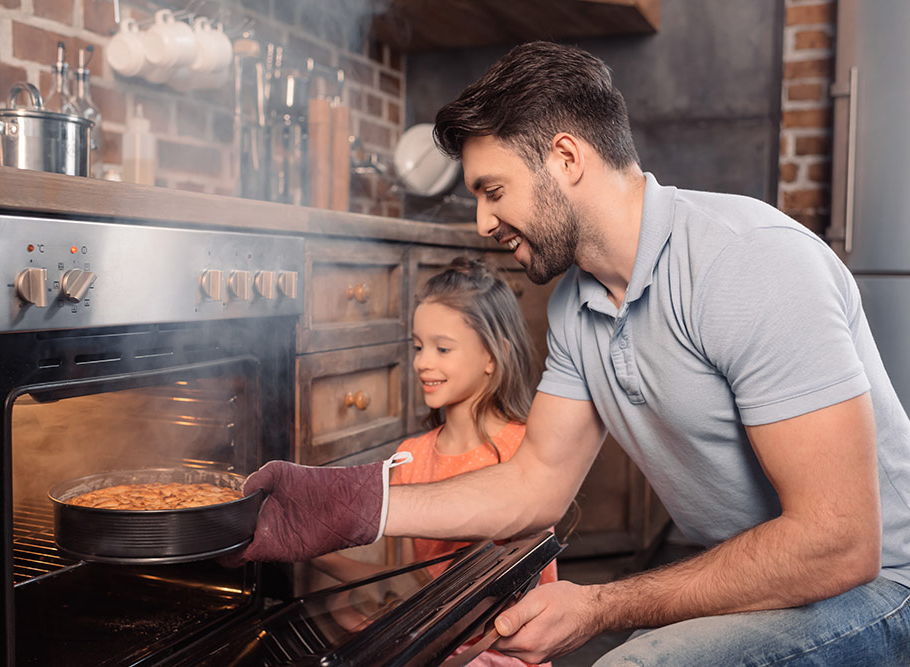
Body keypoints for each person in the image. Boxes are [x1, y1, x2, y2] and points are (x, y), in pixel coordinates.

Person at [232, 41, 910, 665]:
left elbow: (839, 542)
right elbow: (533, 482)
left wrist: (597, 606)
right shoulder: (575, 308)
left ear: (566, 158)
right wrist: (350, 502)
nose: (483, 224)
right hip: (779, 580)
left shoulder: (747, 263)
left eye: (493, 191)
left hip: (882, 588)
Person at [317, 257, 559, 666]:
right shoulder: (410, 457)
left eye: (442, 348)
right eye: (417, 346)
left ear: (492, 355)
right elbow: (415, 590)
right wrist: (315, 552)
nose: (422, 362)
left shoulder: (526, 452)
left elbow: (525, 612)